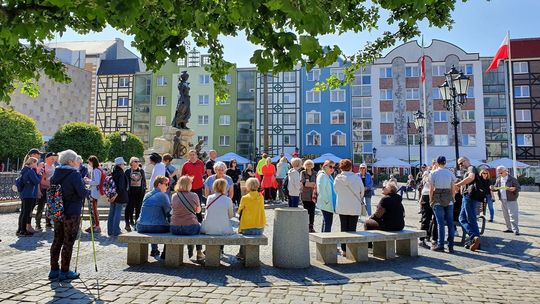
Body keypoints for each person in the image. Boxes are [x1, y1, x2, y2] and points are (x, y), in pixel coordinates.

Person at [49, 149, 87, 281]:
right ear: (70, 161)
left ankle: (54, 269)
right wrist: (87, 191)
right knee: (68, 241)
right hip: (71, 212)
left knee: (57, 239)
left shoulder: (56, 173)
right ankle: (64, 271)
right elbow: (81, 193)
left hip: (58, 211)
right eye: (76, 160)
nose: (78, 163)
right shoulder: (74, 174)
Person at [334, 159, 364, 256]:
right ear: (351, 167)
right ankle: (351, 249)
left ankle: (344, 250)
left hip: (342, 206)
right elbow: (362, 191)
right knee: (352, 228)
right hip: (354, 206)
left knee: (343, 228)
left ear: (341, 167)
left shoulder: (337, 178)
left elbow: (336, 191)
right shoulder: (357, 178)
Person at [170, 176, 205, 261]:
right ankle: (199, 252)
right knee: (198, 228)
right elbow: (198, 211)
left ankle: (190, 250)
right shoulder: (194, 195)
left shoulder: (174, 196)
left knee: (192, 225)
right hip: (190, 228)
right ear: (188, 184)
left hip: (175, 228)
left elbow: (172, 210)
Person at [137, 176, 171, 258]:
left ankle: (154, 250)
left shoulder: (147, 194)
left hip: (141, 226)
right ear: (159, 184)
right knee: (172, 227)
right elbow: (168, 212)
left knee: (154, 220)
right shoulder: (163, 195)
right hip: (156, 227)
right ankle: (165, 253)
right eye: (166, 184)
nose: (167, 186)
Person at [428, 156, 456, 253]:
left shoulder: (433, 173)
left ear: (437, 162)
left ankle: (440, 245)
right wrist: (453, 197)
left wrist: (430, 199)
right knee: (450, 223)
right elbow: (453, 187)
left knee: (440, 223)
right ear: (445, 163)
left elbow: (431, 188)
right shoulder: (450, 173)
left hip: (438, 197)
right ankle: (451, 245)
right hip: (448, 197)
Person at [455, 157, 482, 251]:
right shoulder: (468, 170)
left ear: (467, 161)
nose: (460, 165)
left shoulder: (471, 168)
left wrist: (458, 185)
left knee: (471, 219)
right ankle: (475, 240)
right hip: (467, 197)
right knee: (462, 218)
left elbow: (471, 177)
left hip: (469, 196)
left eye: (461, 163)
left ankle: (474, 237)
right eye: (459, 164)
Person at [236, 177, 266, 260]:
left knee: (243, 238)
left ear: (247, 186)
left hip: (247, 226)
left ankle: (242, 254)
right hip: (260, 226)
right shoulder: (261, 196)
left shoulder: (245, 198)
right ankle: (251, 256)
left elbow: (239, 211)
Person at [17, 157, 43, 236]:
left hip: (24, 193)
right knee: (26, 213)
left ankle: (20, 230)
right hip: (29, 194)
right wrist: (39, 175)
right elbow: (36, 181)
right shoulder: (30, 171)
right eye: (36, 163)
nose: (36, 165)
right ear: (32, 163)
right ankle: (23, 230)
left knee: (23, 212)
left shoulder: (24, 170)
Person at [492, 165, 521, 235]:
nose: (500, 174)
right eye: (499, 173)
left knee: (513, 215)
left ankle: (516, 230)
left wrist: (514, 189)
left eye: (501, 173)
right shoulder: (498, 179)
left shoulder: (512, 179)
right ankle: (509, 228)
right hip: (502, 199)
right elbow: (495, 188)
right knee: (506, 215)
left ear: (505, 171)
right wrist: (492, 188)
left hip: (511, 199)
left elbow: (519, 188)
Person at [108, 157, 129, 237]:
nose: (124, 165)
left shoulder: (113, 172)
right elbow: (121, 187)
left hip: (112, 195)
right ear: (120, 164)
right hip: (119, 196)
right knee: (117, 213)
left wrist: (112, 196)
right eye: (123, 164)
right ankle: (116, 231)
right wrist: (115, 196)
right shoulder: (121, 173)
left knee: (111, 213)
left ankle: (110, 231)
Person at [35, 152, 57, 229]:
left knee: (50, 207)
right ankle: (38, 223)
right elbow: (39, 179)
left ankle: (48, 222)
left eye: (54, 158)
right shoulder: (42, 165)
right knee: (40, 207)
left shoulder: (54, 166)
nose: (54, 160)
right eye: (52, 158)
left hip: (51, 189)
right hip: (43, 189)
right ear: (47, 158)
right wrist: (39, 190)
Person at [125, 157, 146, 232]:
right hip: (130, 193)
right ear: (131, 163)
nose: (137, 163)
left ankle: (137, 224)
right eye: (135, 161)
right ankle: (127, 224)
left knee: (138, 209)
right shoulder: (127, 171)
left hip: (139, 193)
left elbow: (144, 181)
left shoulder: (141, 171)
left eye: (138, 161)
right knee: (129, 208)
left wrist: (143, 190)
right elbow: (125, 182)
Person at [84, 155, 103, 233]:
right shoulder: (96, 169)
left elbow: (97, 182)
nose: (88, 163)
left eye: (89, 162)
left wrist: (88, 181)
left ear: (92, 162)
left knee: (94, 210)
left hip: (94, 193)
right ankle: (95, 225)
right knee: (93, 210)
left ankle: (97, 226)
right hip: (94, 192)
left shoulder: (95, 170)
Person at [316, 160, 336, 232]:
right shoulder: (322, 175)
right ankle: (326, 240)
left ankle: (323, 239)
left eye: (334, 167)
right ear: (325, 166)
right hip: (326, 203)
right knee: (328, 222)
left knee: (326, 222)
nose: (332, 169)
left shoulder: (328, 176)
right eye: (330, 166)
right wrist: (327, 201)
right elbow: (321, 190)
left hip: (329, 203)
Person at [418, 168, 435, 248]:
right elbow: (425, 181)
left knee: (435, 219)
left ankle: (430, 237)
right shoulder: (427, 173)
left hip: (435, 195)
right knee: (426, 218)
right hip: (427, 195)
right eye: (434, 165)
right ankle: (422, 239)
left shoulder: (436, 173)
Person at [300, 159, 317, 232]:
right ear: (305, 165)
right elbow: (304, 183)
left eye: (310, 164)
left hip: (313, 195)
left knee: (312, 212)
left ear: (312, 165)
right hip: (305, 195)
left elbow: (316, 184)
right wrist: (311, 184)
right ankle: (305, 226)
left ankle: (311, 226)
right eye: (307, 164)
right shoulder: (303, 173)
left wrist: (310, 184)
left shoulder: (315, 173)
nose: (309, 165)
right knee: (306, 211)